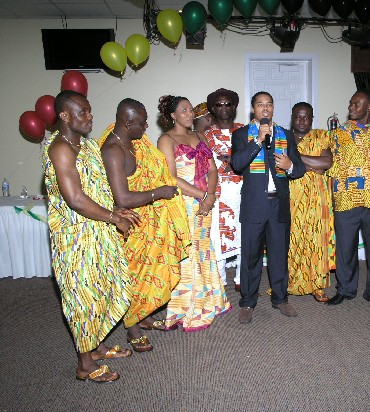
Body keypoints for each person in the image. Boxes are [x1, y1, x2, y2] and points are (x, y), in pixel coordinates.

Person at [43, 90, 139, 382]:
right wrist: (113, 217)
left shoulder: (84, 145)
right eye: (83, 112)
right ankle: (85, 364)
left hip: (97, 228)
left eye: (89, 110)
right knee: (81, 297)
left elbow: (96, 190)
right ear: (64, 116)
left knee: (101, 288)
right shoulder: (61, 148)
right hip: (75, 238)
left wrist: (116, 212)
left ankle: (95, 348)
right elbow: (74, 198)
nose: (90, 116)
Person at [99, 98, 191, 351]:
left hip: (147, 221)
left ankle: (145, 316)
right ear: (128, 123)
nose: (147, 126)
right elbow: (123, 198)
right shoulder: (113, 150)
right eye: (142, 122)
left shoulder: (135, 143)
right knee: (136, 276)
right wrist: (160, 191)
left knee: (152, 273)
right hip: (131, 225)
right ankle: (133, 328)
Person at [231, 91, 306, 324]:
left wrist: (290, 164)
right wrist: (258, 141)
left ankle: (280, 298)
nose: (265, 108)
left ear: (273, 109)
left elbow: (300, 169)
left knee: (278, 254)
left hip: (278, 205)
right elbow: (237, 163)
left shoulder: (285, 134)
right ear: (253, 109)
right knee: (251, 255)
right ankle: (248, 302)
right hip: (254, 204)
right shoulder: (242, 134)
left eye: (269, 104)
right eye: (260, 104)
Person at [157, 95, 231, 331]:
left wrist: (209, 196)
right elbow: (171, 177)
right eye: (184, 110)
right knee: (188, 254)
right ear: (172, 116)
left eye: (191, 110)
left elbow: (212, 169)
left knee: (203, 250)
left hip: (205, 202)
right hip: (184, 204)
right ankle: (186, 309)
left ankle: (208, 302)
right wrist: (201, 196)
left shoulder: (199, 136)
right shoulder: (166, 140)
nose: (190, 114)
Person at [326, 89, 370, 311]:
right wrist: (333, 198)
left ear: (369, 107)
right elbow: (333, 169)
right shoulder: (339, 133)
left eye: (357, 104)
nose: (351, 107)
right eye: (351, 103)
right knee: (345, 248)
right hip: (346, 200)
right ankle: (345, 289)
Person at [287, 102, 335, 302]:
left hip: (317, 197)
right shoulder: (284, 138)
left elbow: (325, 164)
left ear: (312, 119)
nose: (302, 120)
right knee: (292, 240)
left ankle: (317, 285)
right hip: (291, 196)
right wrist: (312, 164)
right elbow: (279, 165)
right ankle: (290, 283)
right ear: (292, 117)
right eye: (298, 116)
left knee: (317, 240)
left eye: (306, 117)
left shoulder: (322, 136)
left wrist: (296, 159)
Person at [204, 88, 244, 291]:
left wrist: (235, 163)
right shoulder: (205, 135)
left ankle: (241, 278)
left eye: (228, 104)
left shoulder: (245, 130)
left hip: (244, 191)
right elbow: (204, 165)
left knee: (246, 234)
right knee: (217, 237)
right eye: (219, 105)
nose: (224, 108)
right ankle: (219, 281)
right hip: (219, 194)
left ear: (234, 106)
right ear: (212, 108)